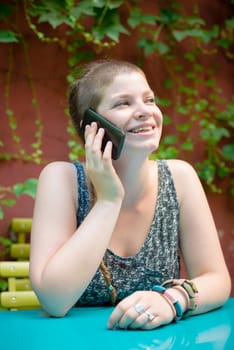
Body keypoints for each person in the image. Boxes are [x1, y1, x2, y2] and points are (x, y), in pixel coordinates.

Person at [29, 59, 231, 329]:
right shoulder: (61, 179)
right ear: (91, 125)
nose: (145, 111)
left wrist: (171, 300)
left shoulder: (180, 177)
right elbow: (55, 301)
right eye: (123, 103)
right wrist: (109, 200)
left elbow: (217, 279)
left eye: (149, 99)